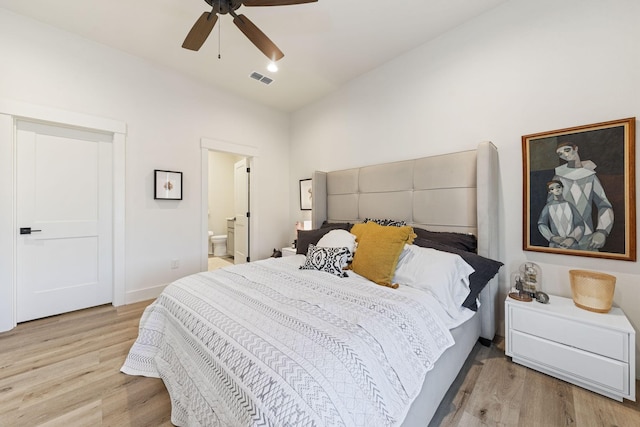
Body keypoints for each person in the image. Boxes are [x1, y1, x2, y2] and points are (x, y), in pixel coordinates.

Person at [552, 142, 613, 250]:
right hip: (563, 238)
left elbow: (604, 205)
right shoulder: (558, 177)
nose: (565, 155)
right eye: (560, 154)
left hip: (587, 237)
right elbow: (551, 207)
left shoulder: (590, 176)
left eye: (567, 150)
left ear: (575, 148)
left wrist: (602, 231)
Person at [538, 180, 584, 249]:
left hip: (572, 245)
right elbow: (541, 224)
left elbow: (580, 224)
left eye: (558, 187)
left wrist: (572, 238)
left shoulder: (570, 205)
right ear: (550, 192)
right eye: (552, 189)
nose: (556, 190)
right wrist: (552, 237)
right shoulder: (548, 207)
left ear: (562, 188)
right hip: (555, 245)